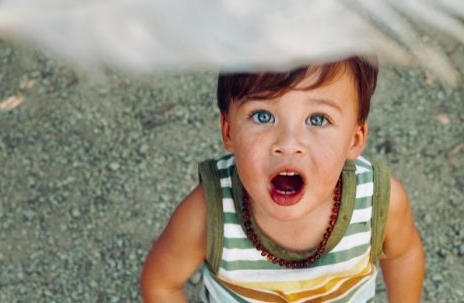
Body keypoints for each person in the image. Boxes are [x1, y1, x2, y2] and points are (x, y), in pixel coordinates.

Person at [140, 56, 425, 302]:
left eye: (317, 119)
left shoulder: (376, 202)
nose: (288, 143)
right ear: (229, 131)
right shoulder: (207, 214)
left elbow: (403, 255)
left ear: (354, 139)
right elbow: (161, 283)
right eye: (263, 116)